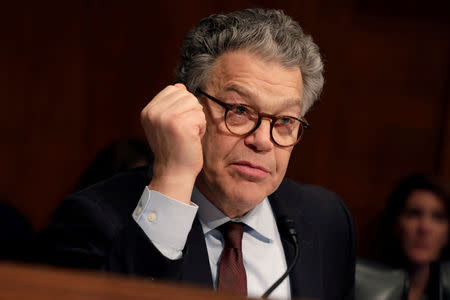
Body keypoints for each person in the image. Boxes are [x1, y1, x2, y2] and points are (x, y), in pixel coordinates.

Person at [41, 8, 355, 299]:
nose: (263, 141)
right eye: (240, 110)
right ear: (188, 106)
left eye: (285, 121)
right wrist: (174, 174)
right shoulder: (96, 217)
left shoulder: (325, 218)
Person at [374, 174, 450, 300]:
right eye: (414, 214)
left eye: (438, 217)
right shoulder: (362, 288)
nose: (424, 227)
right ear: (396, 224)